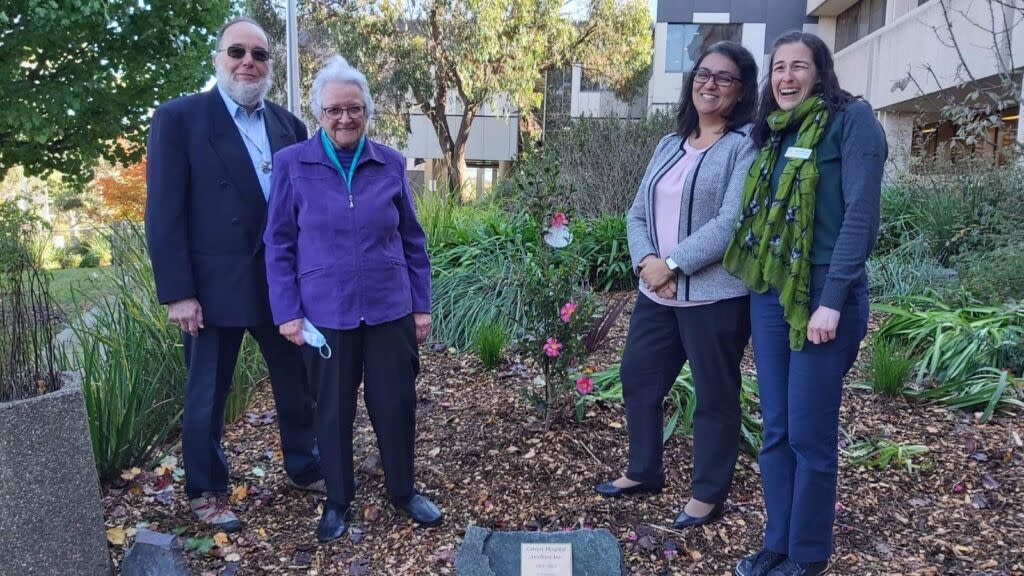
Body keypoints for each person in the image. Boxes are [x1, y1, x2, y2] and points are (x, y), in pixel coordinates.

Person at [145, 17, 323, 533]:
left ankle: (305, 465)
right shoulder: (179, 118)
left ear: (270, 64)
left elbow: (301, 211)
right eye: (237, 52)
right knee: (207, 393)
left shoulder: (288, 125)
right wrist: (178, 293)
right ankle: (206, 489)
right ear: (218, 59)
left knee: (298, 382)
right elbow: (164, 212)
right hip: (211, 290)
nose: (249, 62)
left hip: (281, 285)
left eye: (260, 54)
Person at [723, 31, 887, 576]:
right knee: (776, 430)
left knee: (810, 435)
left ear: (820, 72)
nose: (787, 77)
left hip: (823, 295)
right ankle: (777, 541)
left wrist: (833, 300)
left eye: (799, 66)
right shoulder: (770, 134)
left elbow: (861, 218)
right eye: (778, 68)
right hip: (772, 293)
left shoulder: (853, 121)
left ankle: (808, 554)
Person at [264, 56, 441, 543]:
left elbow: (412, 239)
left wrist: (420, 305)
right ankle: (338, 500)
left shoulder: (389, 162)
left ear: (367, 110)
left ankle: (402, 490)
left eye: (354, 108)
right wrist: (288, 312)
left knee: (396, 403)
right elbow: (278, 244)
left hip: (390, 310)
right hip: (326, 315)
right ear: (319, 112)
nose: (345, 118)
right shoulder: (292, 164)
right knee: (332, 409)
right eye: (334, 110)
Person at [594, 41, 758, 530]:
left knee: (714, 396)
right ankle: (643, 471)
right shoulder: (670, 143)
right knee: (639, 380)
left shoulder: (745, 146)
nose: (709, 84)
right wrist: (646, 261)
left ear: (742, 89)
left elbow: (733, 222)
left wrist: (672, 263)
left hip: (715, 299)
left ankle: (709, 494)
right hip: (655, 295)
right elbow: (638, 211)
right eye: (703, 74)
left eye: (723, 78)